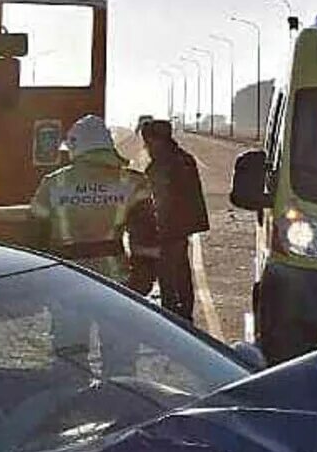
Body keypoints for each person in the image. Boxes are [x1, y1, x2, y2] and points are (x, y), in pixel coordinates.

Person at [28, 115, 158, 289]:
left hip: (64, 280)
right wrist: (144, 279)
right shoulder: (133, 182)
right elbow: (145, 237)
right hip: (114, 282)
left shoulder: (53, 182)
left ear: (75, 147)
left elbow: (37, 236)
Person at [139, 118, 210, 322]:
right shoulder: (183, 158)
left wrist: (152, 228)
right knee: (181, 271)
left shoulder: (163, 163)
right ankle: (184, 314)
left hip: (169, 228)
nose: (146, 146)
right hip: (183, 226)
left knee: (168, 274)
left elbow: (160, 199)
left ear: (157, 140)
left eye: (148, 141)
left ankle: (172, 318)